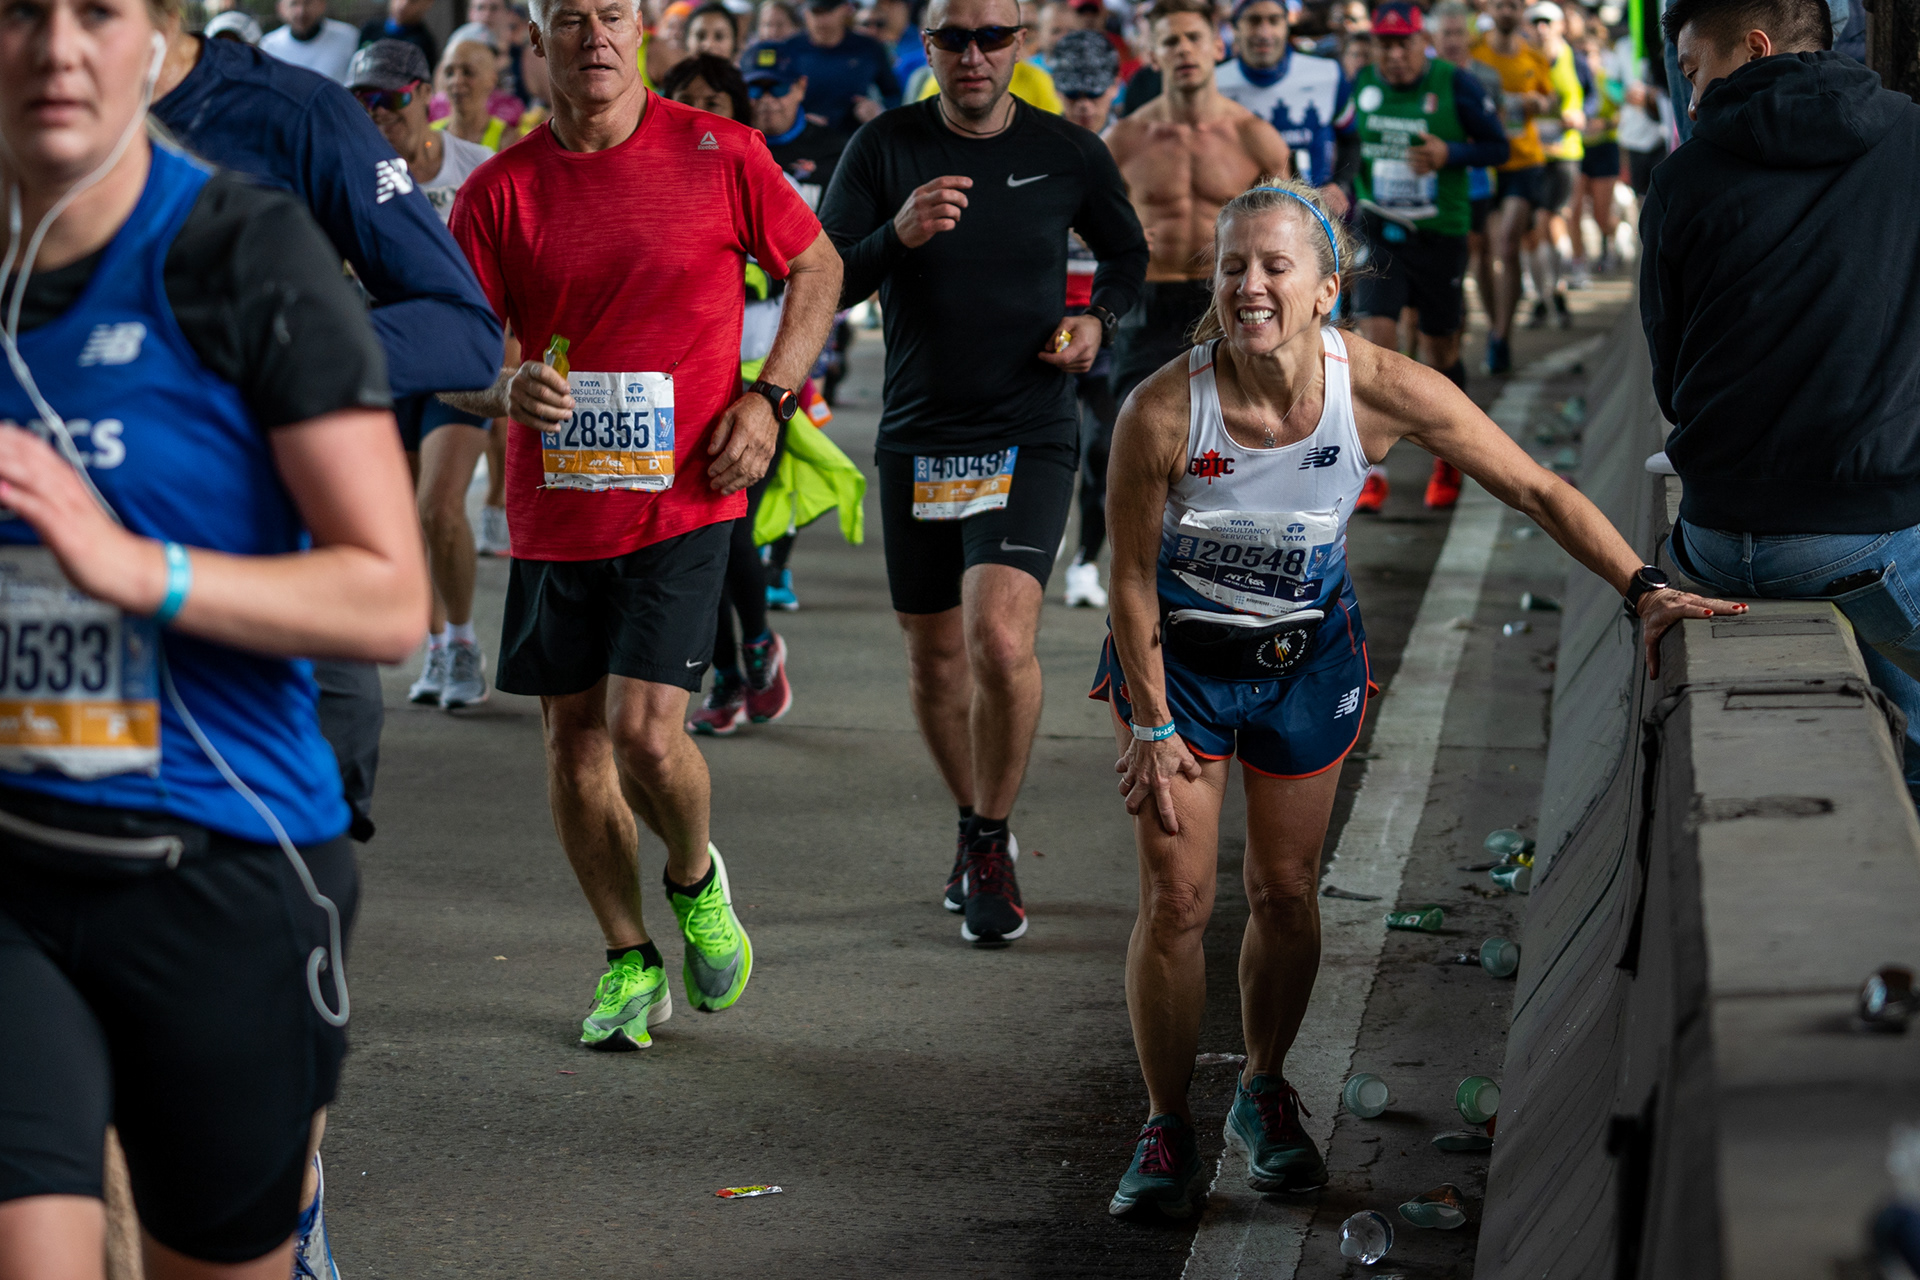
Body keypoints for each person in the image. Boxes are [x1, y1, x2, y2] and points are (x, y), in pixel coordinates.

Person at [1096, 176, 1742, 1218]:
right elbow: (1127, 576)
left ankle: (1263, 1088)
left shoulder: (1383, 389)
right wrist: (1153, 717)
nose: (1251, 285)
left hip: (1309, 663)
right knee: (1176, 898)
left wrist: (1645, 586)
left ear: (1325, 291)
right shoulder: (1162, 409)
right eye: (1233, 267)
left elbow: (1534, 485)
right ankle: (1166, 1124)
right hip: (1184, 668)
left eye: (1275, 266)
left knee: (1284, 892)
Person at [0, 0, 428, 1276]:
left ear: (160, 42)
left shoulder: (244, 255)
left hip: (226, 870)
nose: (58, 47)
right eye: (23, 11)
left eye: (99, 13)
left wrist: (133, 568)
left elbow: (387, 597)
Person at [147, 13, 502, 1271]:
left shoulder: (298, 120)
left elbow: (461, 329)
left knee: (260, 974)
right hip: (65, 626)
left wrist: (270, 364)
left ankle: (286, 1207)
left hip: (284, 612)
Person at [442, 0, 841, 1048]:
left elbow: (819, 265)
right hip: (555, 508)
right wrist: (502, 388)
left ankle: (696, 878)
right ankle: (627, 956)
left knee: (644, 734)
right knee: (574, 745)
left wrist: (770, 396)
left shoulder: (720, 151)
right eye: (569, 19)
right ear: (538, 40)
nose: (595, 37)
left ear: (643, 34)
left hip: (685, 492)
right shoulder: (498, 191)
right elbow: (452, 356)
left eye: (614, 14)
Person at [821, 0, 1146, 946]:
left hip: (1028, 430)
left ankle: (992, 837)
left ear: (1019, 45)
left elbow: (1127, 252)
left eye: (992, 36)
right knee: (933, 658)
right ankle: (971, 823)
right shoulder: (884, 149)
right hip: (919, 432)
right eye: (953, 38)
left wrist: (1099, 321)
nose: (974, 55)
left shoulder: (1068, 150)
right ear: (927, 48)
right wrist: (899, 237)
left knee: (1000, 642)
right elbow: (829, 279)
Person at [1643, 0, 1920, 805]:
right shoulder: (1908, 136)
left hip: (1716, 541)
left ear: (1755, 49)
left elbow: (1671, 377)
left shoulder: (1679, 177)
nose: (1690, 101)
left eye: (1694, 72)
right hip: (1865, 530)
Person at [351, 42, 500, 712]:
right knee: (406, 519)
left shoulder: (479, 168)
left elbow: (514, 261)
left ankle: (465, 643)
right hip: (388, 359)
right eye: (364, 102)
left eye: (391, 99)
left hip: (460, 359)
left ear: (424, 99)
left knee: (440, 506)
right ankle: (437, 642)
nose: (378, 114)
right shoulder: (350, 174)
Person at [658, 57, 800, 736]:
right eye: (684, 99)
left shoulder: (755, 175)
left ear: (738, 110)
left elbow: (813, 274)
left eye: (712, 100)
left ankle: (752, 646)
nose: (697, 112)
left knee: (726, 528)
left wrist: (777, 387)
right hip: (675, 396)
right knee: (695, 535)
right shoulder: (652, 176)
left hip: (753, 395)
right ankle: (729, 673)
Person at [1344, 1, 1508, 510]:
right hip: (1378, 229)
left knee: (1441, 354)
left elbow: (1498, 147)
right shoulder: (1361, 85)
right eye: (1384, 44)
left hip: (1439, 235)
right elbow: (1345, 143)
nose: (1393, 56)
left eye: (1403, 43)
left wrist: (1449, 154)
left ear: (1423, 42)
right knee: (1377, 346)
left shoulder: (1455, 83)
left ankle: (1449, 456)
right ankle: (1371, 471)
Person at [1103, 0, 1290, 411]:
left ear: (1218, 48)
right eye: (1170, 41)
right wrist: (1121, 236)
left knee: (1231, 429)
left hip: (1225, 295)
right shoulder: (1124, 140)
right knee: (1133, 422)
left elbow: (1288, 233)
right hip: (1147, 296)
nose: (1184, 49)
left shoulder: (1255, 137)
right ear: (1152, 56)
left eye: (1194, 38)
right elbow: (1084, 219)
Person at [1052, 28, 1125, 607]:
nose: (1083, 104)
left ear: (1113, 91)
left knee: (1103, 448)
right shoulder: (1038, 148)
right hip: (1042, 325)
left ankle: (1084, 562)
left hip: (1109, 325)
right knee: (1043, 444)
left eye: (1093, 93)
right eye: (1072, 92)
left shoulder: (1131, 151)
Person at [1470, 0, 1558, 373]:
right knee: (1482, 253)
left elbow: (1552, 99)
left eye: (1513, 5)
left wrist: (1537, 102)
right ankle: (1495, 326)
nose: (1507, 11)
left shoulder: (1533, 55)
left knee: (1507, 244)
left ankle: (1501, 337)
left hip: (1524, 162)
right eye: (1501, 5)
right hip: (1486, 162)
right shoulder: (1475, 52)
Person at [1213, 0, 1351, 208]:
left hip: (1313, 215)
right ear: (1235, 27)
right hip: (1242, 216)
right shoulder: (1214, 84)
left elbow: (1352, 139)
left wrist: (1340, 185)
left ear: (1287, 25)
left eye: (1274, 20)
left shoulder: (1327, 74)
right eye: (1253, 20)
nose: (1264, 32)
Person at [1519, 1, 1583, 329]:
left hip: (1563, 154)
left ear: (1560, 25)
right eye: (1535, 22)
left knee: (1551, 221)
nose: (1541, 27)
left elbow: (1597, 98)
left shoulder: (1574, 59)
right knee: (1530, 233)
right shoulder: (1522, 61)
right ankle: (1543, 297)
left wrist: (1579, 116)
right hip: (1529, 156)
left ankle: (1556, 290)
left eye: (1548, 21)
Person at [783, 0, 901, 132]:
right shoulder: (789, 49)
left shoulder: (868, 48)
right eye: (816, 12)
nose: (823, 20)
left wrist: (879, 110)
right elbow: (772, 96)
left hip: (853, 138)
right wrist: (797, 118)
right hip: (802, 138)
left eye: (829, 11)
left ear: (845, 9)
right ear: (805, 13)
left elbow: (893, 95)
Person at [435, 25, 518, 149]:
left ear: (491, 80)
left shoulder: (508, 141)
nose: (456, 81)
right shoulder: (431, 136)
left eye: (468, 72)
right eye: (449, 73)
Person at [260, 0, 359, 82]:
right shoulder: (269, 45)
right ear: (281, 8)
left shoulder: (348, 37)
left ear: (322, 4)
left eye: (308, 3)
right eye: (293, 4)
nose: (301, 12)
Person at [360, 0, 441, 70]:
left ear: (428, 3)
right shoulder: (370, 30)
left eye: (413, 1)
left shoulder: (422, 45)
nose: (403, 4)